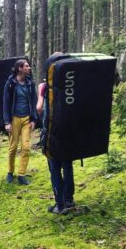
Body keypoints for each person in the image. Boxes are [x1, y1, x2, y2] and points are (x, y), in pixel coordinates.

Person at [37, 53, 75, 214]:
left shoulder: (45, 86)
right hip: (68, 131)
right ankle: (69, 200)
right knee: (67, 166)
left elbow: (39, 108)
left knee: (54, 168)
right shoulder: (72, 83)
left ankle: (60, 205)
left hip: (52, 132)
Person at [3, 59, 38, 185]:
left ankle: (21, 174)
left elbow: (34, 102)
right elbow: (6, 103)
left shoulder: (30, 83)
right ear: (20, 68)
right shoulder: (10, 83)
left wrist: (34, 119)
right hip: (14, 119)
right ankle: (10, 172)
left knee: (26, 147)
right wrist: (7, 121)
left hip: (27, 119)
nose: (29, 68)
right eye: (27, 66)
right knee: (12, 148)